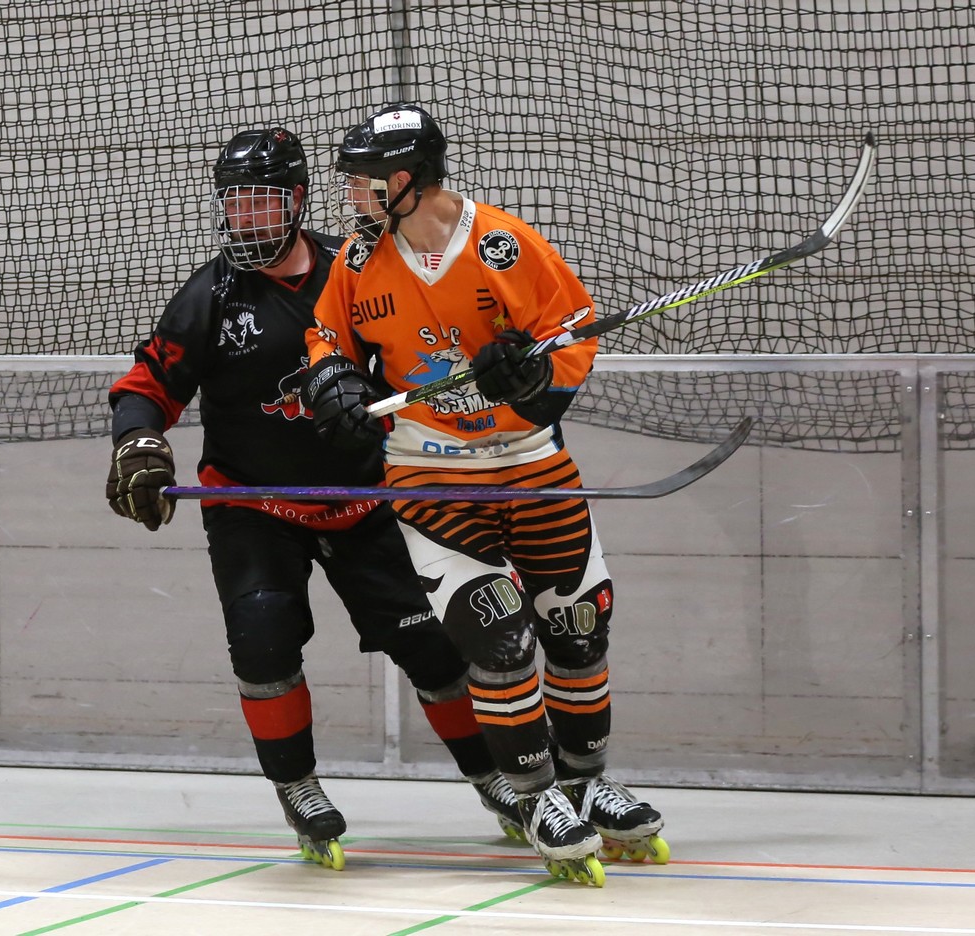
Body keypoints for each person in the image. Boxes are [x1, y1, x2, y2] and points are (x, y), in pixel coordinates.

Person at [103, 126, 521, 871]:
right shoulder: (211, 295)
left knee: (431, 646)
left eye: (263, 201)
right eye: (235, 203)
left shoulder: (354, 272)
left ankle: (493, 777)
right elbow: (147, 385)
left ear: (296, 201)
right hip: (253, 504)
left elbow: (418, 356)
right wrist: (138, 443)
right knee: (262, 639)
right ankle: (297, 786)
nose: (247, 218)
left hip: (365, 500)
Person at [302, 104, 666, 885]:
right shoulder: (361, 259)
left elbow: (572, 336)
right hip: (431, 475)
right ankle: (534, 797)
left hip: (531, 465)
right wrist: (332, 380)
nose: (353, 196)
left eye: (365, 181)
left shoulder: (505, 244)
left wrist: (529, 374)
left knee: (578, 628)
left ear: (406, 181)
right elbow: (328, 337)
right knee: (497, 638)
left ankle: (585, 784)